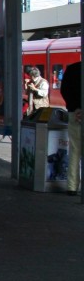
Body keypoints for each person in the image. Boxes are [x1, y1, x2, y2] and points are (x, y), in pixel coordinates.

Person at [61, 61, 81, 196]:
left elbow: (64, 90)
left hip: (75, 114)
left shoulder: (73, 68)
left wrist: (74, 107)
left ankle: (72, 186)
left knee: (74, 149)